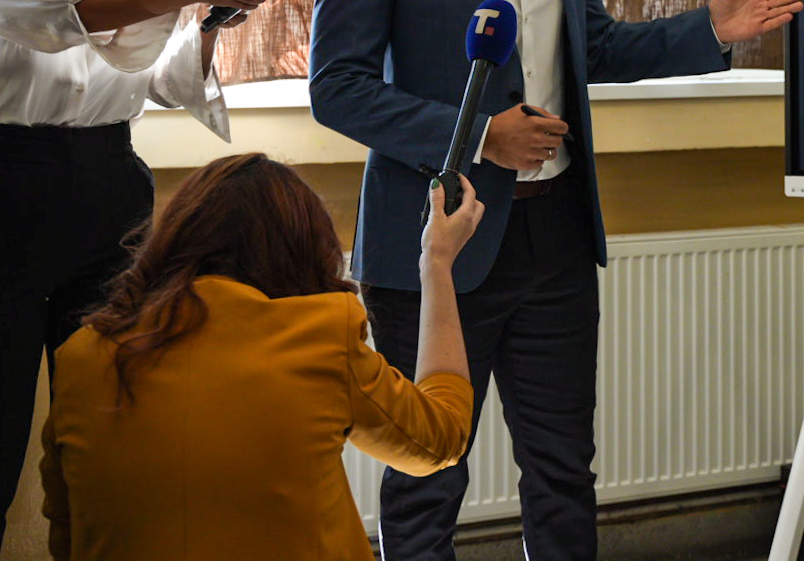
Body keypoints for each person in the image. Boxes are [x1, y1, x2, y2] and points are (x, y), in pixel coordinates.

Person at [308, 0, 804, 561]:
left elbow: (595, 47)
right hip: (439, 240)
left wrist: (709, 30)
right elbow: (338, 89)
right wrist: (479, 137)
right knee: (427, 478)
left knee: (564, 471)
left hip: (558, 236)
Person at [0, 0, 278, 545]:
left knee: (106, 417)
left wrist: (208, 20)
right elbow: (61, 13)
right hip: (10, 190)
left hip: (109, 195)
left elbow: (161, 82)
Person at [38, 154, 483, 561]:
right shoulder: (318, 336)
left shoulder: (81, 357)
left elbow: (66, 529)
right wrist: (437, 263)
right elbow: (439, 440)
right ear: (306, 248)